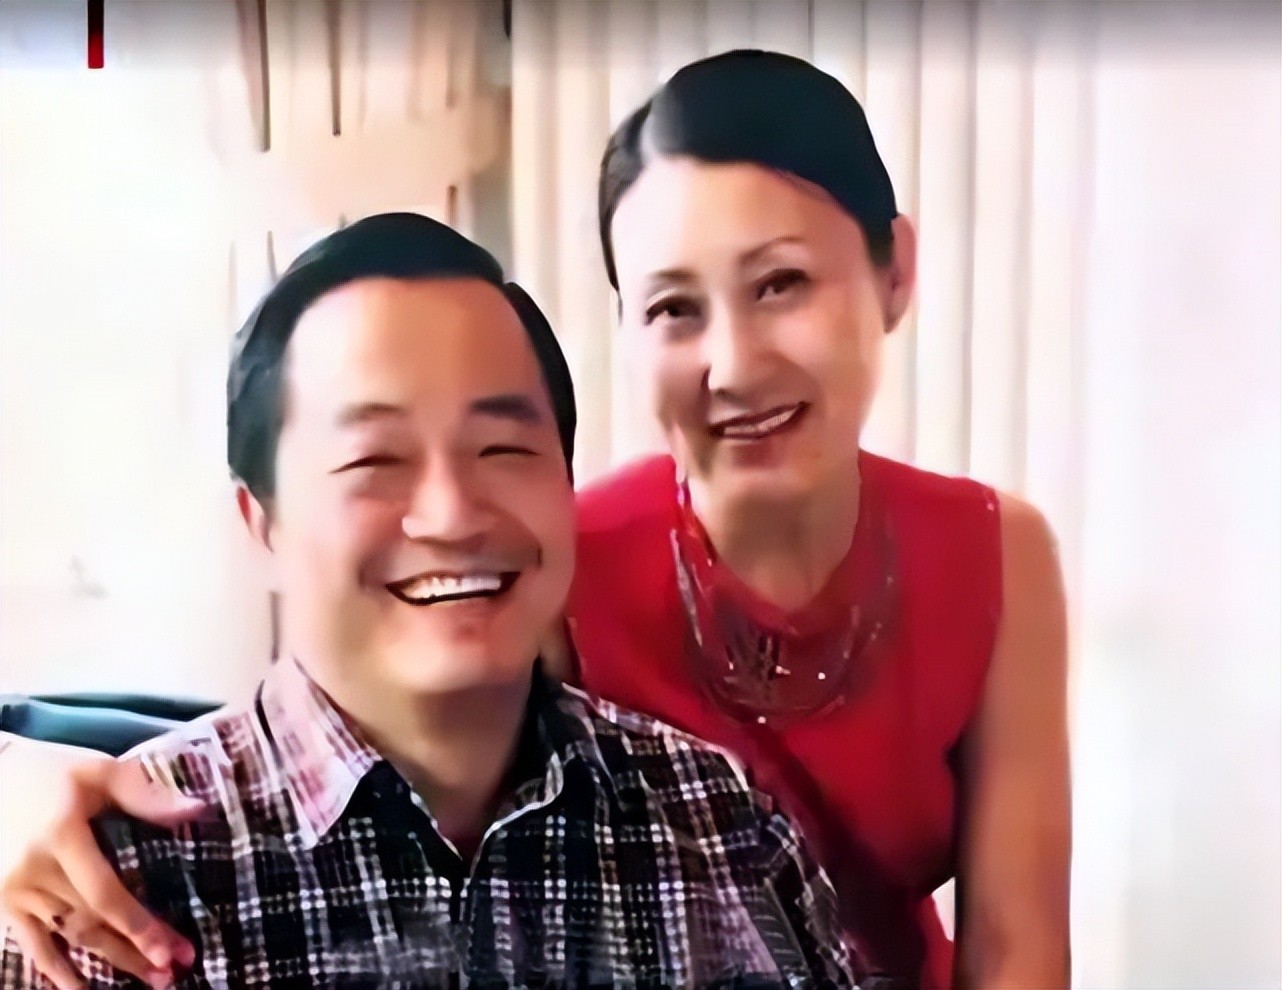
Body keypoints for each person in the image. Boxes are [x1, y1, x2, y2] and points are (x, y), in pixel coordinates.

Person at [1, 50, 1070, 990]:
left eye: (782, 284)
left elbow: (1018, 943)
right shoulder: (554, 566)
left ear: (894, 272)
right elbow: (368, 719)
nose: (735, 365)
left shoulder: (728, 802)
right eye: (674, 308)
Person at [0, 213, 853, 990]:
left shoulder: (721, 823)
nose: (452, 516)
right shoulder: (110, 886)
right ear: (263, 525)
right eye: (375, 460)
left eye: (503, 448)